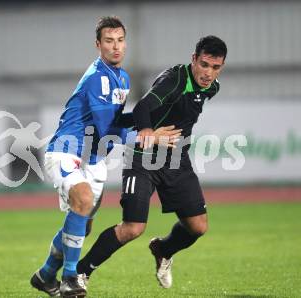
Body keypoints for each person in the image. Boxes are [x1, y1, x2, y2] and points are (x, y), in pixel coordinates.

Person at [76, 35, 227, 289]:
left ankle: (163, 249)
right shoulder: (173, 80)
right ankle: (79, 273)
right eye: (204, 64)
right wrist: (146, 130)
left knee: (198, 226)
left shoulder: (212, 88)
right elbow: (142, 107)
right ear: (193, 59)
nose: (208, 73)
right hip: (143, 157)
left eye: (215, 67)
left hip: (176, 159)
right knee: (133, 227)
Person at [30, 16, 155, 298]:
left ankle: (46, 275)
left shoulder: (122, 77)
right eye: (109, 41)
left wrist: (146, 121)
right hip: (67, 150)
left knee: (82, 225)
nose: (116, 46)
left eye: (120, 40)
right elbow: (105, 128)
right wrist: (146, 136)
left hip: (94, 159)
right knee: (83, 200)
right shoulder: (98, 77)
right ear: (98, 45)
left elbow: (115, 120)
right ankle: (70, 278)